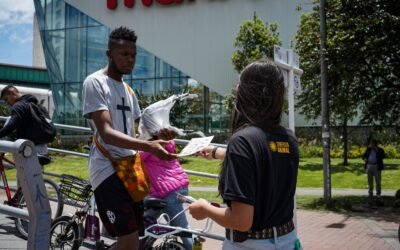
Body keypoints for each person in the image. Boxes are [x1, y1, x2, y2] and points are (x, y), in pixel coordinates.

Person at [82, 26, 177, 250]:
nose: (130, 60)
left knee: (132, 243)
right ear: (109, 54)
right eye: (124, 54)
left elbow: (135, 133)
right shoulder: (94, 83)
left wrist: (159, 135)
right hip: (106, 170)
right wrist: (149, 146)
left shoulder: (128, 90)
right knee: (128, 241)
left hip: (130, 170)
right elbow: (106, 132)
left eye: (133, 55)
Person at [188, 59, 299, 250]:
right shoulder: (287, 138)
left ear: (245, 94)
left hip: (251, 245)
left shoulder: (242, 141)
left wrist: (205, 209)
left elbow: (241, 221)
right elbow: (265, 157)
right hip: (287, 240)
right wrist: (217, 153)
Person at [139, 133, 192, 249]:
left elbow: (133, 158)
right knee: (146, 223)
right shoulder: (167, 141)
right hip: (174, 188)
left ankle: (191, 247)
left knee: (181, 229)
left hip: (168, 193)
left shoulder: (151, 146)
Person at [0, 85, 49, 154]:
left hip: (29, 149)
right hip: (42, 146)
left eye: (6, 99)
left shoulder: (19, 106)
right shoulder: (34, 104)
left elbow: (11, 126)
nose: (6, 103)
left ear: (12, 93)